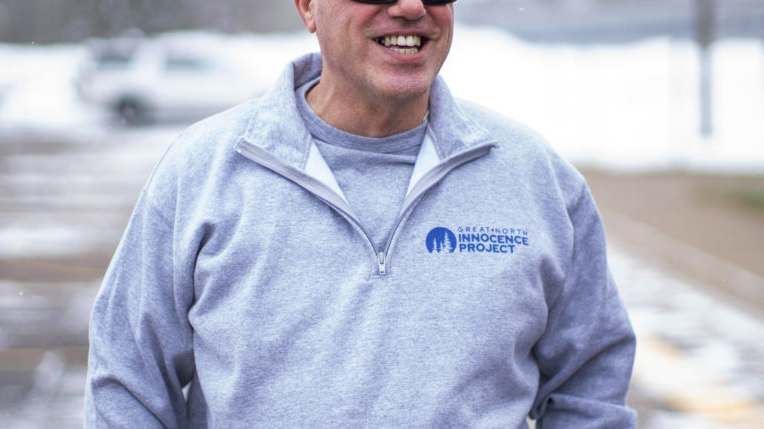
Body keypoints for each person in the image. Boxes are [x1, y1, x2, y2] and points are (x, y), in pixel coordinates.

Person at [85, 0, 637, 427]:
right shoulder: (203, 171)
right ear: (306, 5)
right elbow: (129, 378)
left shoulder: (535, 179)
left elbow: (591, 381)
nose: (411, 8)